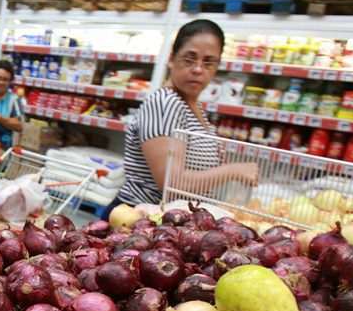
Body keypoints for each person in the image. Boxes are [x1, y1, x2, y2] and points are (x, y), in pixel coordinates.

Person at [108, 19, 258, 216]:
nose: (198, 69)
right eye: (189, 59)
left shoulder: (192, 106)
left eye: (208, 62)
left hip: (170, 220)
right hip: (139, 220)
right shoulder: (165, 102)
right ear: (171, 58)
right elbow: (171, 182)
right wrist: (233, 171)